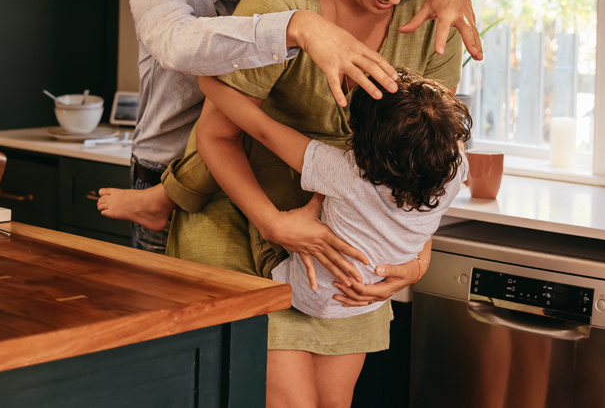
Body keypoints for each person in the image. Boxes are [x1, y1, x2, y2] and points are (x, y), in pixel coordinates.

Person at [101, 0, 466, 408]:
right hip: (201, 175)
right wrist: (298, 28)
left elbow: (433, 158)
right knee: (171, 380)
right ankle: (161, 201)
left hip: (344, 235)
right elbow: (198, 84)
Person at [126, 0, 481, 253]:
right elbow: (178, 47)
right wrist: (297, 27)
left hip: (249, 149)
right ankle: (158, 202)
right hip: (169, 158)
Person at [196, 67, 470, 323]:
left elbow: (262, 129)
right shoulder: (456, 171)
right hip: (368, 296)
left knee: (259, 154)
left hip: (299, 288)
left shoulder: (345, 171)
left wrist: (207, 82)